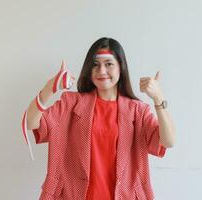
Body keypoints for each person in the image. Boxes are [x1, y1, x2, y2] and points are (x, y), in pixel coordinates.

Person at [25, 37, 176, 200]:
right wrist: (50, 88)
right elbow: (31, 123)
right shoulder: (71, 104)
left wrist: (158, 99)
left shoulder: (138, 111)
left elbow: (168, 141)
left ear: (121, 67)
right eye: (95, 65)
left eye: (109, 64)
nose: (101, 71)